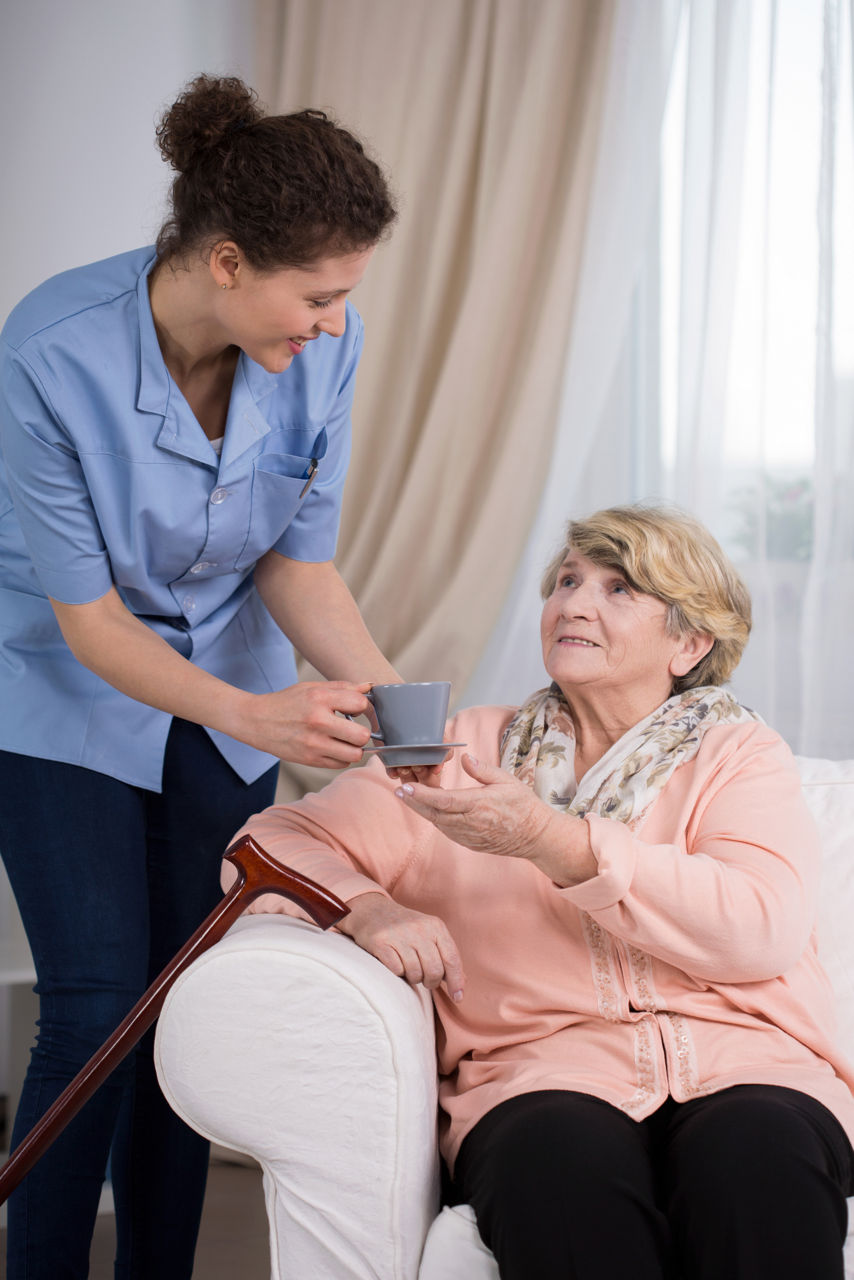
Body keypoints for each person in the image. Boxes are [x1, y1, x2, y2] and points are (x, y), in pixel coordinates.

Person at [228, 504, 854, 1280]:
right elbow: (264, 846)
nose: (574, 603)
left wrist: (549, 841)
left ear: (690, 643)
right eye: (566, 581)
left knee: (758, 1163)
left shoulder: (737, 755)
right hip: (540, 1079)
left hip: (752, 1068)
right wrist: (366, 906)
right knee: (559, 1173)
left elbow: (760, 927)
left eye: (620, 588)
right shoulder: (459, 756)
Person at [0, 74, 402, 1279]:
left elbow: (296, 560)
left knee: (191, 1003)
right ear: (227, 262)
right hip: (58, 686)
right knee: (95, 996)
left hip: (228, 675)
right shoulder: (48, 351)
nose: (334, 323)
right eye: (318, 294)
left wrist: (395, 709)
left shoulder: (321, 348)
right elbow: (88, 619)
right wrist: (255, 711)